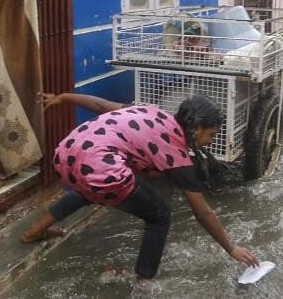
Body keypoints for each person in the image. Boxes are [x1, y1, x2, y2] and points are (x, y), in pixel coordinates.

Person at [21, 92, 259, 279]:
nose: (210, 141)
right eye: (211, 135)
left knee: (90, 188)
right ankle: (144, 281)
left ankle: (33, 232)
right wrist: (231, 248)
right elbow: (203, 213)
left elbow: (100, 105)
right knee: (160, 215)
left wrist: (63, 97)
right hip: (99, 165)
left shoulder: (151, 112)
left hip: (66, 153)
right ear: (195, 129)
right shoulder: (175, 154)